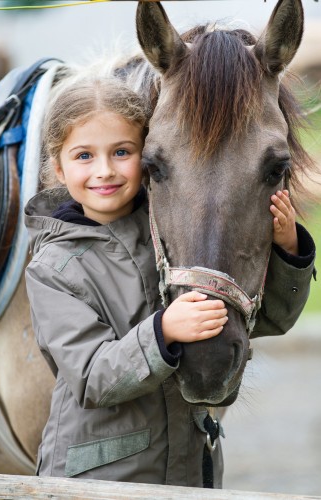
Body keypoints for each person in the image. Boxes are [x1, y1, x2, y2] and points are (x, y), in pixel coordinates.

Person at [24, 70, 315, 487]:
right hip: (97, 484)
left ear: (145, 157)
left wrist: (288, 251)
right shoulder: (53, 267)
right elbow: (90, 376)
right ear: (58, 167)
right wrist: (162, 332)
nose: (104, 170)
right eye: (84, 156)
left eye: (122, 152)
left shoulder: (171, 238)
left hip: (186, 473)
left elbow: (267, 319)